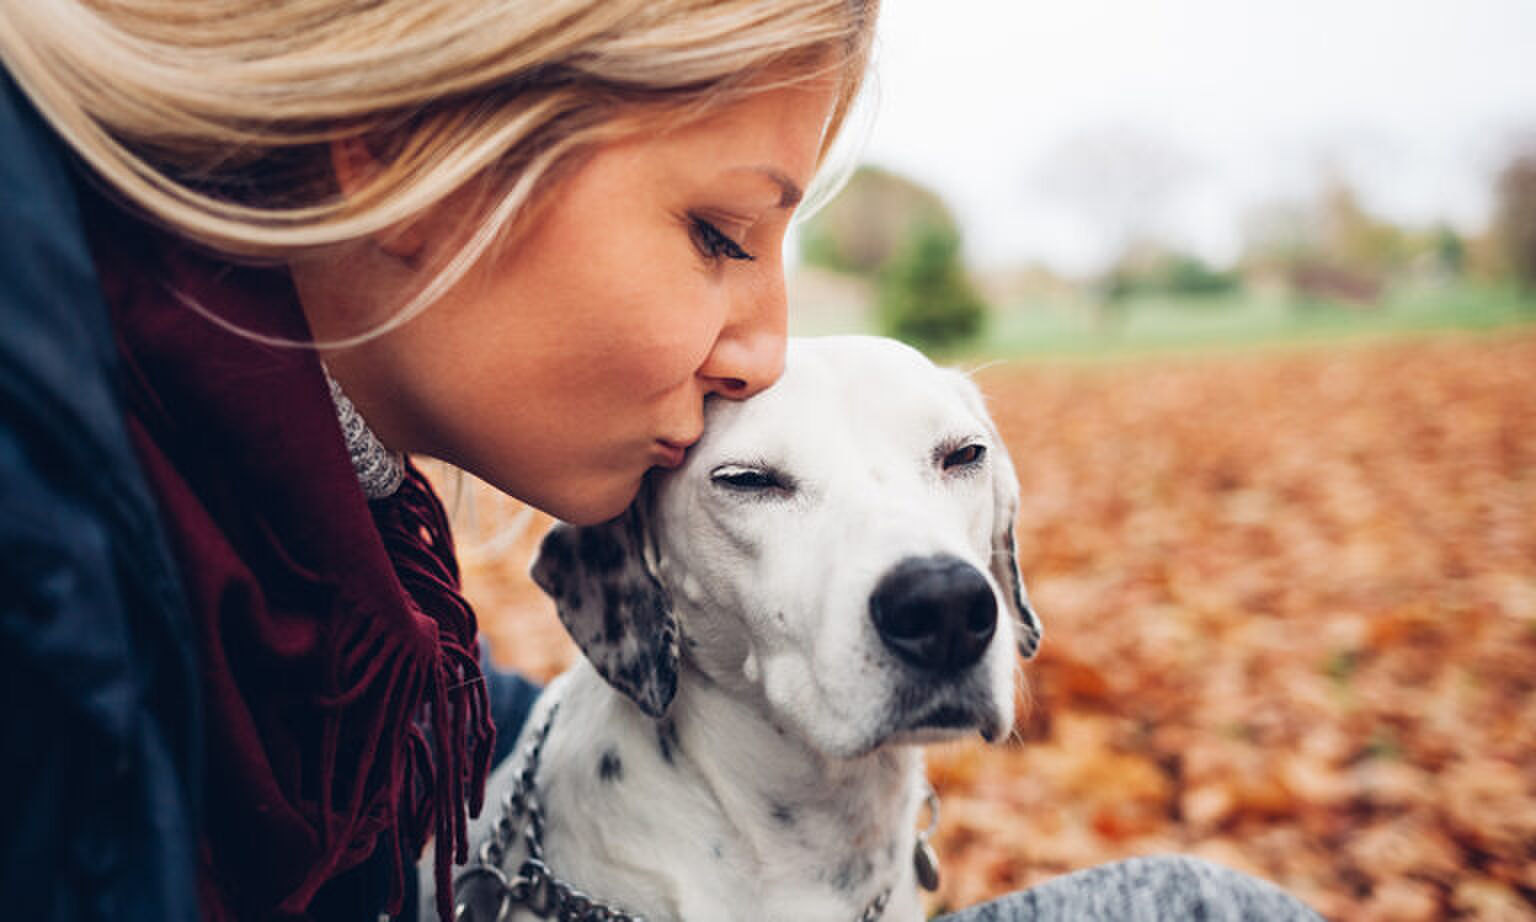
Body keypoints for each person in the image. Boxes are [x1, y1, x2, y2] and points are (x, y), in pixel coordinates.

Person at [0, 2, 1323, 921]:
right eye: (720, 231)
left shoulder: (301, 521)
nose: (763, 352)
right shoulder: (44, 531)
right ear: (416, 160)